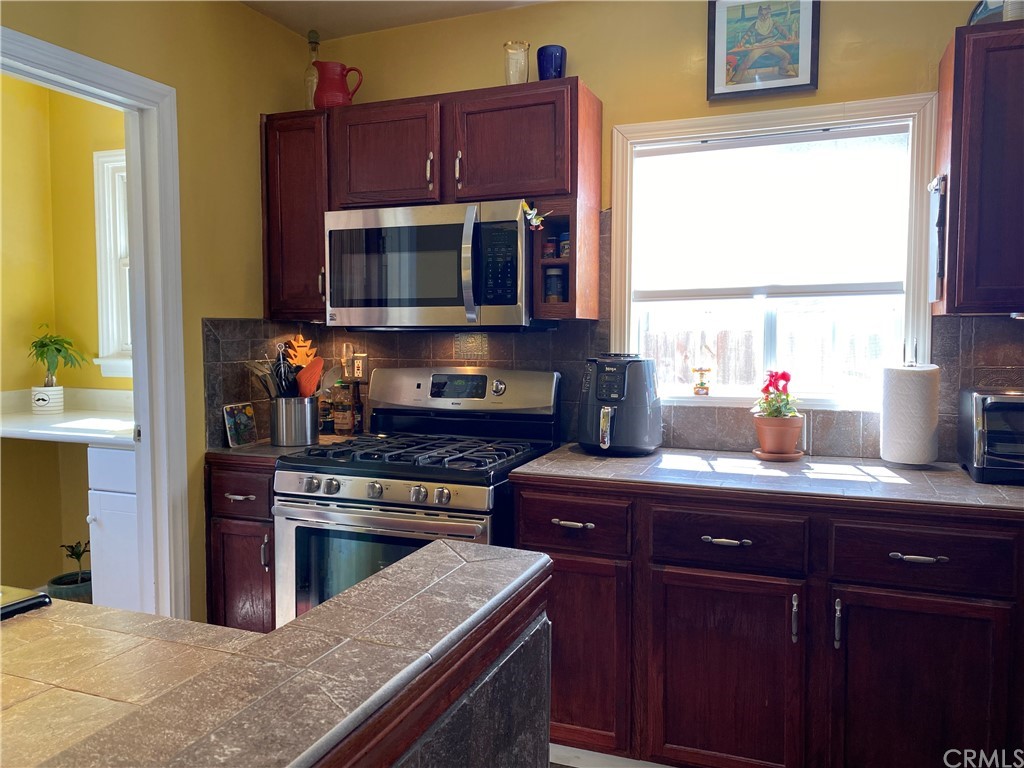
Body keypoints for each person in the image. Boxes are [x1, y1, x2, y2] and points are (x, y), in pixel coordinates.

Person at [729, 3, 797, 84]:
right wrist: (741, 43)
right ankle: (735, 79)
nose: (764, 16)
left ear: (770, 13)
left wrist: (788, 36)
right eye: (762, 14)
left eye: (767, 14)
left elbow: (782, 30)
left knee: (786, 56)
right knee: (747, 61)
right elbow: (747, 35)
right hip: (760, 46)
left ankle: (783, 70)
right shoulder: (755, 24)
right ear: (759, 14)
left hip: (771, 44)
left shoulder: (773, 22)